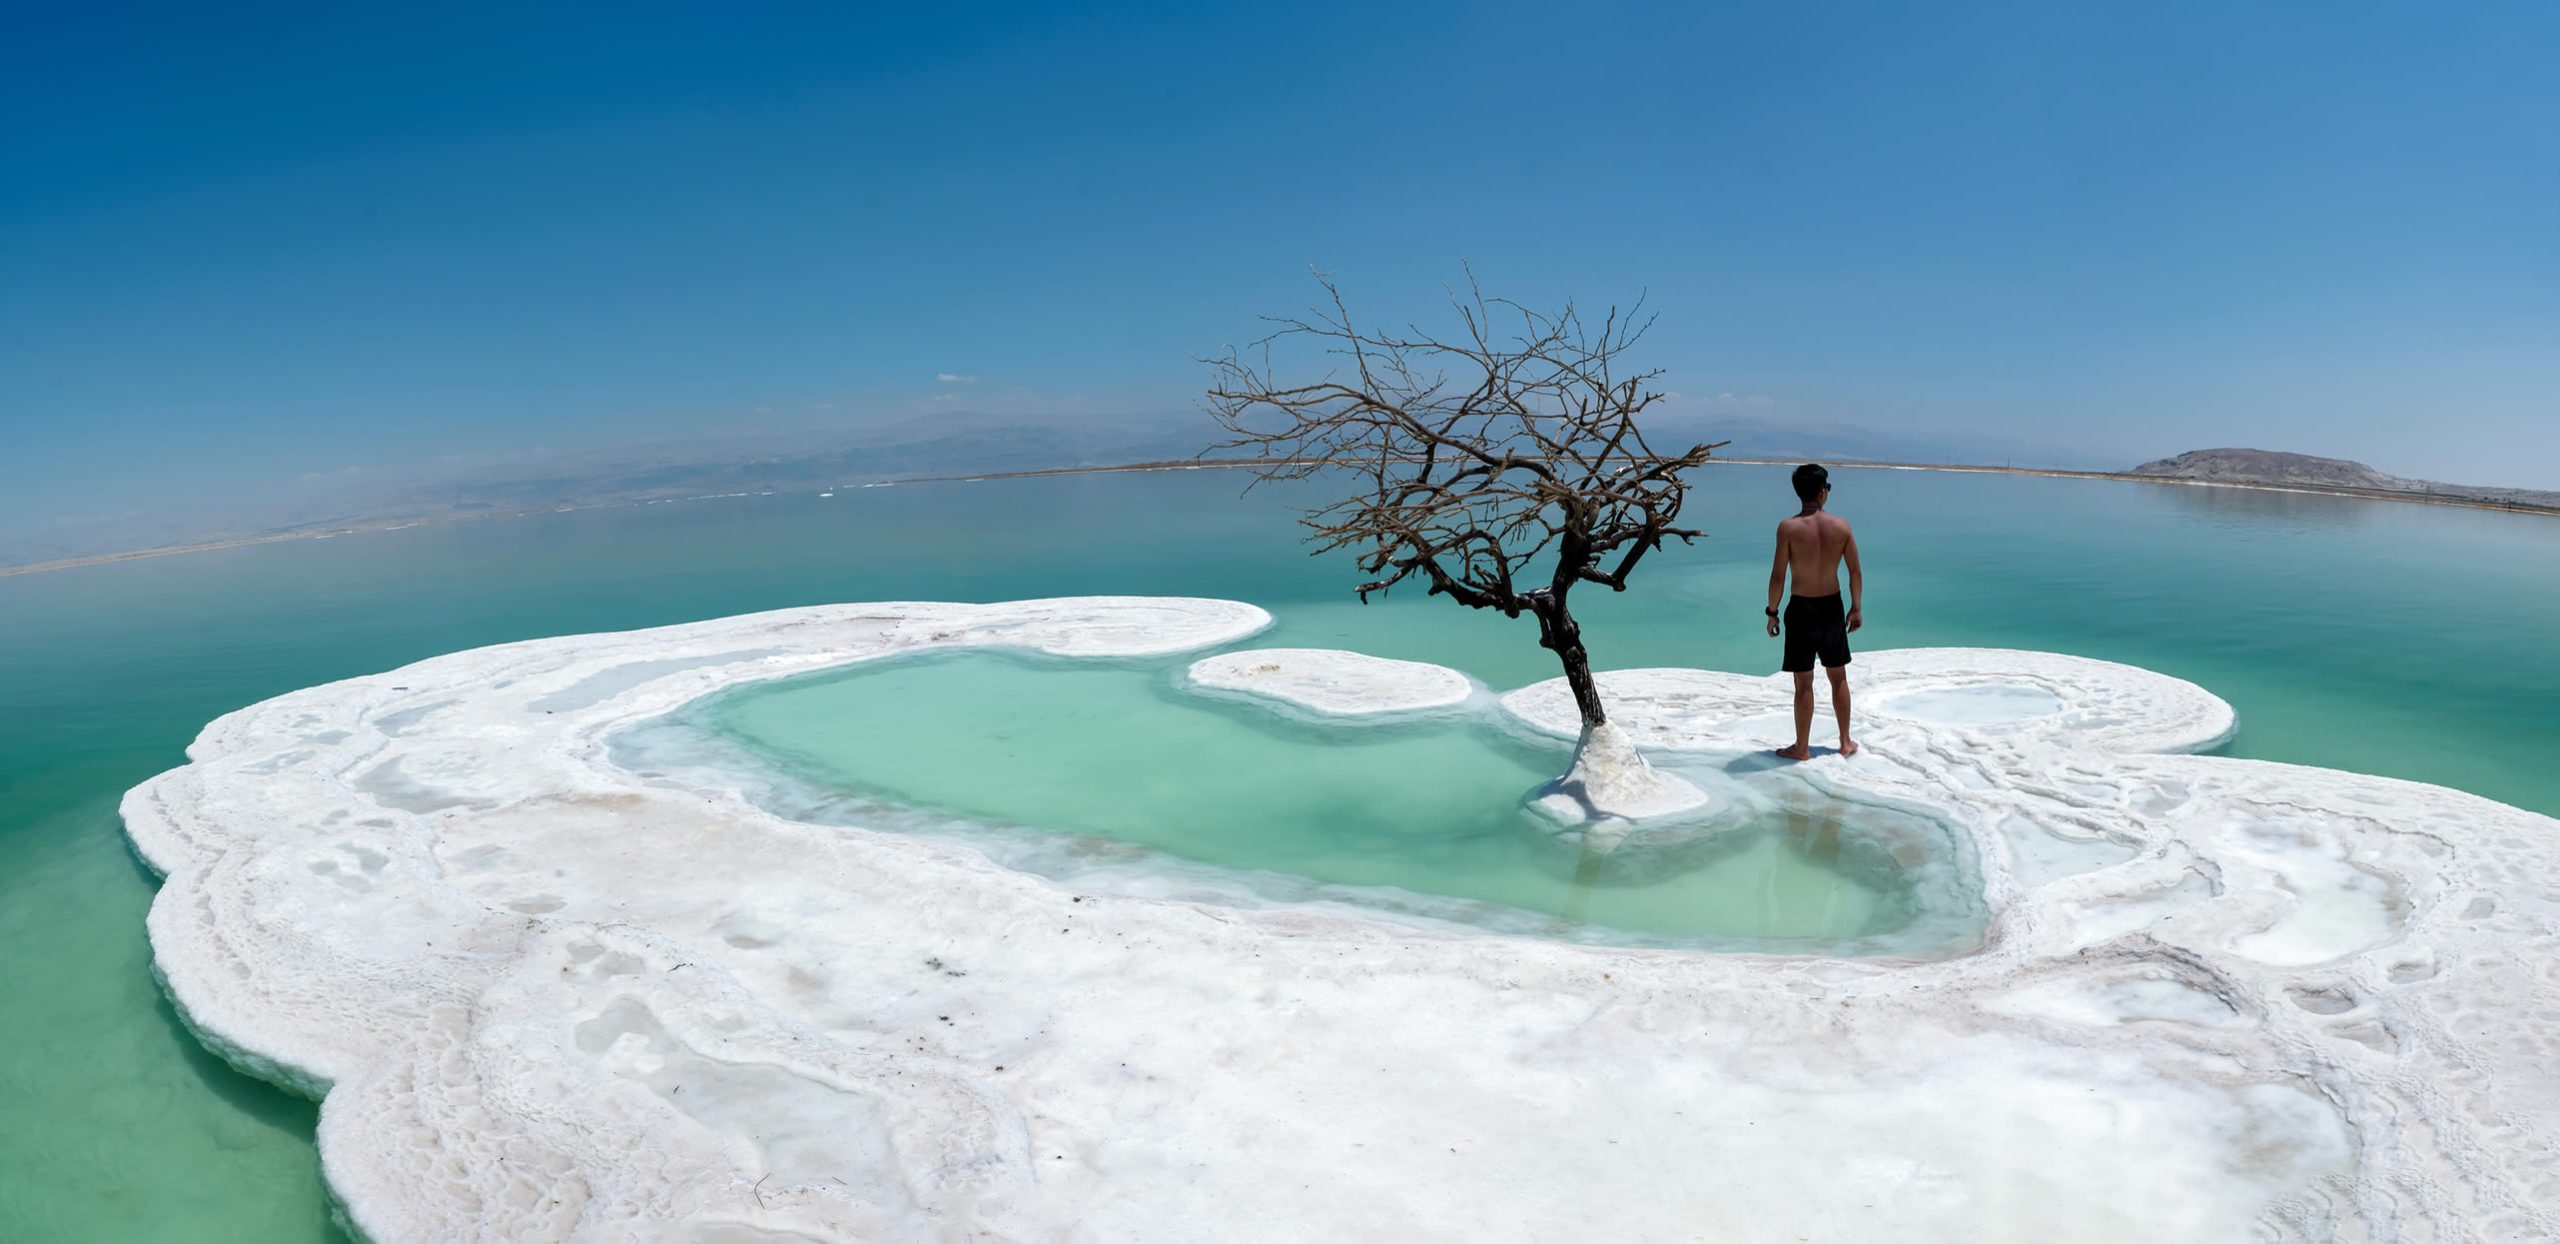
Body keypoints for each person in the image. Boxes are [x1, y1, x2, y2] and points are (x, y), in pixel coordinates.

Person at [1766, 463, 1861, 760]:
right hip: (1832, 606)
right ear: (1822, 492)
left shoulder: (1788, 528)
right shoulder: (1842, 527)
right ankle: (1845, 742)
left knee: (1803, 682)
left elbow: (1778, 575)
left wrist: (1772, 611)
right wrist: (1856, 608)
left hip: (1801, 609)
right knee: (1838, 678)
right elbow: (1855, 572)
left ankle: (1802, 747)